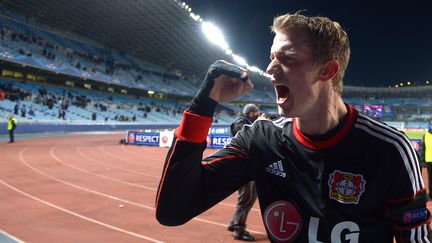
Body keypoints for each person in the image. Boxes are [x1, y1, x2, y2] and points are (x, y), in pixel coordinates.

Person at [155, 12, 431, 242]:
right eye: (272, 57)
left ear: (327, 71)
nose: (270, 69)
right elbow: (172, 210)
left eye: (287, 58)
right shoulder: (260, 140)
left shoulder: (390, 150)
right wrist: (203, 106)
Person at [227, 103, 260, 241]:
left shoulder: (246, 122)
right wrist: (259, 123)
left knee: (251, 196)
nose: (258, 115)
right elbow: (249, 138)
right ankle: (239, 229)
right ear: (251, 114)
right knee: (245, 199)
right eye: (257, 113)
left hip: (248, 167)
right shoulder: (240, 124)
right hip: (242, 168)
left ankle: (234, 222)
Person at [421, 125, 432, 199]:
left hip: (428, 160)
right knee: (430, 179)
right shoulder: (426, 135)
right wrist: (423, 160)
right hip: (429, 161)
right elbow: (423, 148)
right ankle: (431, 195)